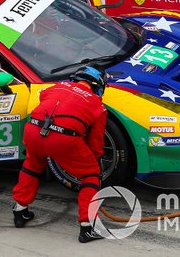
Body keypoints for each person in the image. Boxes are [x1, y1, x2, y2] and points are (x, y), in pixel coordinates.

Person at [11, 66, 108, 243]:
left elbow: (43, 98)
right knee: (91, 174)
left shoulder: (55, 86)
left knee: (32, 165)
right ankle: (87, 227)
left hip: (33, 129)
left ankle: (20, 210)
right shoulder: (98, 105)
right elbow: (96, 144)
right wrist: (93, 160)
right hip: (63, 138)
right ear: (99, 86)